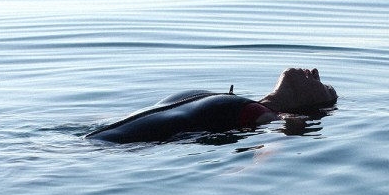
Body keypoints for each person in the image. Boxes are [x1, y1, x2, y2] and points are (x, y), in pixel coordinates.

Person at [85, 67, 337, 144]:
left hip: (112, 145)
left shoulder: (264, 115)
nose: (313, 71)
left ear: (310, 101)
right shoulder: (248, 106)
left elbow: (270, 147)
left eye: (323, 84)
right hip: (100, 138)